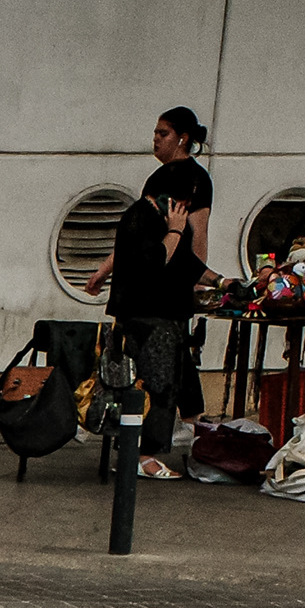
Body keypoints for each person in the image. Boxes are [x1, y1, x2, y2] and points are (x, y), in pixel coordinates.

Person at [96, 106, 212, 478]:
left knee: (171, 363)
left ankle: (189, 428)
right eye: (156, 133)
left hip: (168, 286)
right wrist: (106, 269)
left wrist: (196, 278)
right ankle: (160, 439)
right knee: (156, 366)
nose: (156, 140)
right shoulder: (156, 183)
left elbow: (197, 234)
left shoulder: (195, 180)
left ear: (182, 138)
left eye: (163, 133)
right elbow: (138, 240)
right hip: (148, 287)